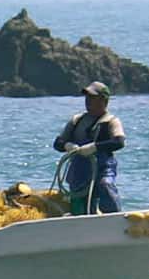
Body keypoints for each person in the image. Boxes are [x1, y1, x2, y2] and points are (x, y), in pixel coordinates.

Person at [53, 81, 125, 215]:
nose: (88, 101)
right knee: (80, 203)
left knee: (105, 185)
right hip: (79, 169)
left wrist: (95, 147)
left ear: (104, 100)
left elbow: (119, 142)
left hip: (103, 167)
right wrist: (67, 145)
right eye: (87, 98)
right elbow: (58, 142)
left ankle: (114, 218)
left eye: (92, 98)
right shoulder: (76, 120)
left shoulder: (111, 121)